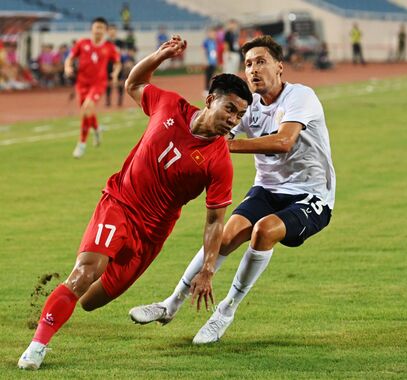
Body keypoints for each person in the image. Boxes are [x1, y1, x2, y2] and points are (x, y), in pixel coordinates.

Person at [17, 35, 252, 370]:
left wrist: (208, 269)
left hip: (151, 235)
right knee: (84, 273)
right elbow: (134, 82)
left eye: (239, 115)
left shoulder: (219, 162)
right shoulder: (168, 105)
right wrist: (160, 55)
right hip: (120, 204)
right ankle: (37, 346)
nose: (233, 120)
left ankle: (59, 303)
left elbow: (215, 220)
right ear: (210, 100)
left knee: (90, 301)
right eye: (229, 109)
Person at [129, 35, 336, 345]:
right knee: (225, 235)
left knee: (264, 231)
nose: (253, 69)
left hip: (311, 195)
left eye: (261, 62)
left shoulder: (300, 97)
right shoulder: (246, 107)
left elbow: (283, 141)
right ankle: (170, 304)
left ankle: (226, 310)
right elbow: (211, 130)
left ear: (279, 67)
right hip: (267, 189)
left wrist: (229, 145)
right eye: (248, 63)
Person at [64, 17, 121, 158]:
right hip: (81, 83)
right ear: (92, 29)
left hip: (98, 84)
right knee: (87, 111)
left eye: (101, 28)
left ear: (105, 31)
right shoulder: (82, 43)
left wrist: (115, 74)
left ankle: (81, 144)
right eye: (96, 27)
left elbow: (118, 63)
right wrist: (67, 67)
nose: (98, 30)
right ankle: (96, 129)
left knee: (86, 108)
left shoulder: (109, 47)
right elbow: (70, 58)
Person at [105, 24, 125, 107]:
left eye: (113, 30)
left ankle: (120, 99)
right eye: (110, 30)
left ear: (116, 31)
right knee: (108, 82)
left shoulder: (120, 42)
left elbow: (123, 53)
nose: (112, 32)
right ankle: (108, 99)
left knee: (120, 82)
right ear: (108, 32)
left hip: (119, 63)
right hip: (108, 64)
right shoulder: (106, 42)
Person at [203, 27, 218, 96]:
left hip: (213, 61)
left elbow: (214, 52)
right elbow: (204, 51)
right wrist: (205, 60)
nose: (214, 35)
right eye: (212, 33)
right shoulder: (206, 41)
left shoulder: (214, 42)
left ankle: (209, 88)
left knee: (212, 75)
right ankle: (206, 89)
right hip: (208, 61)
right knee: (207, 75)